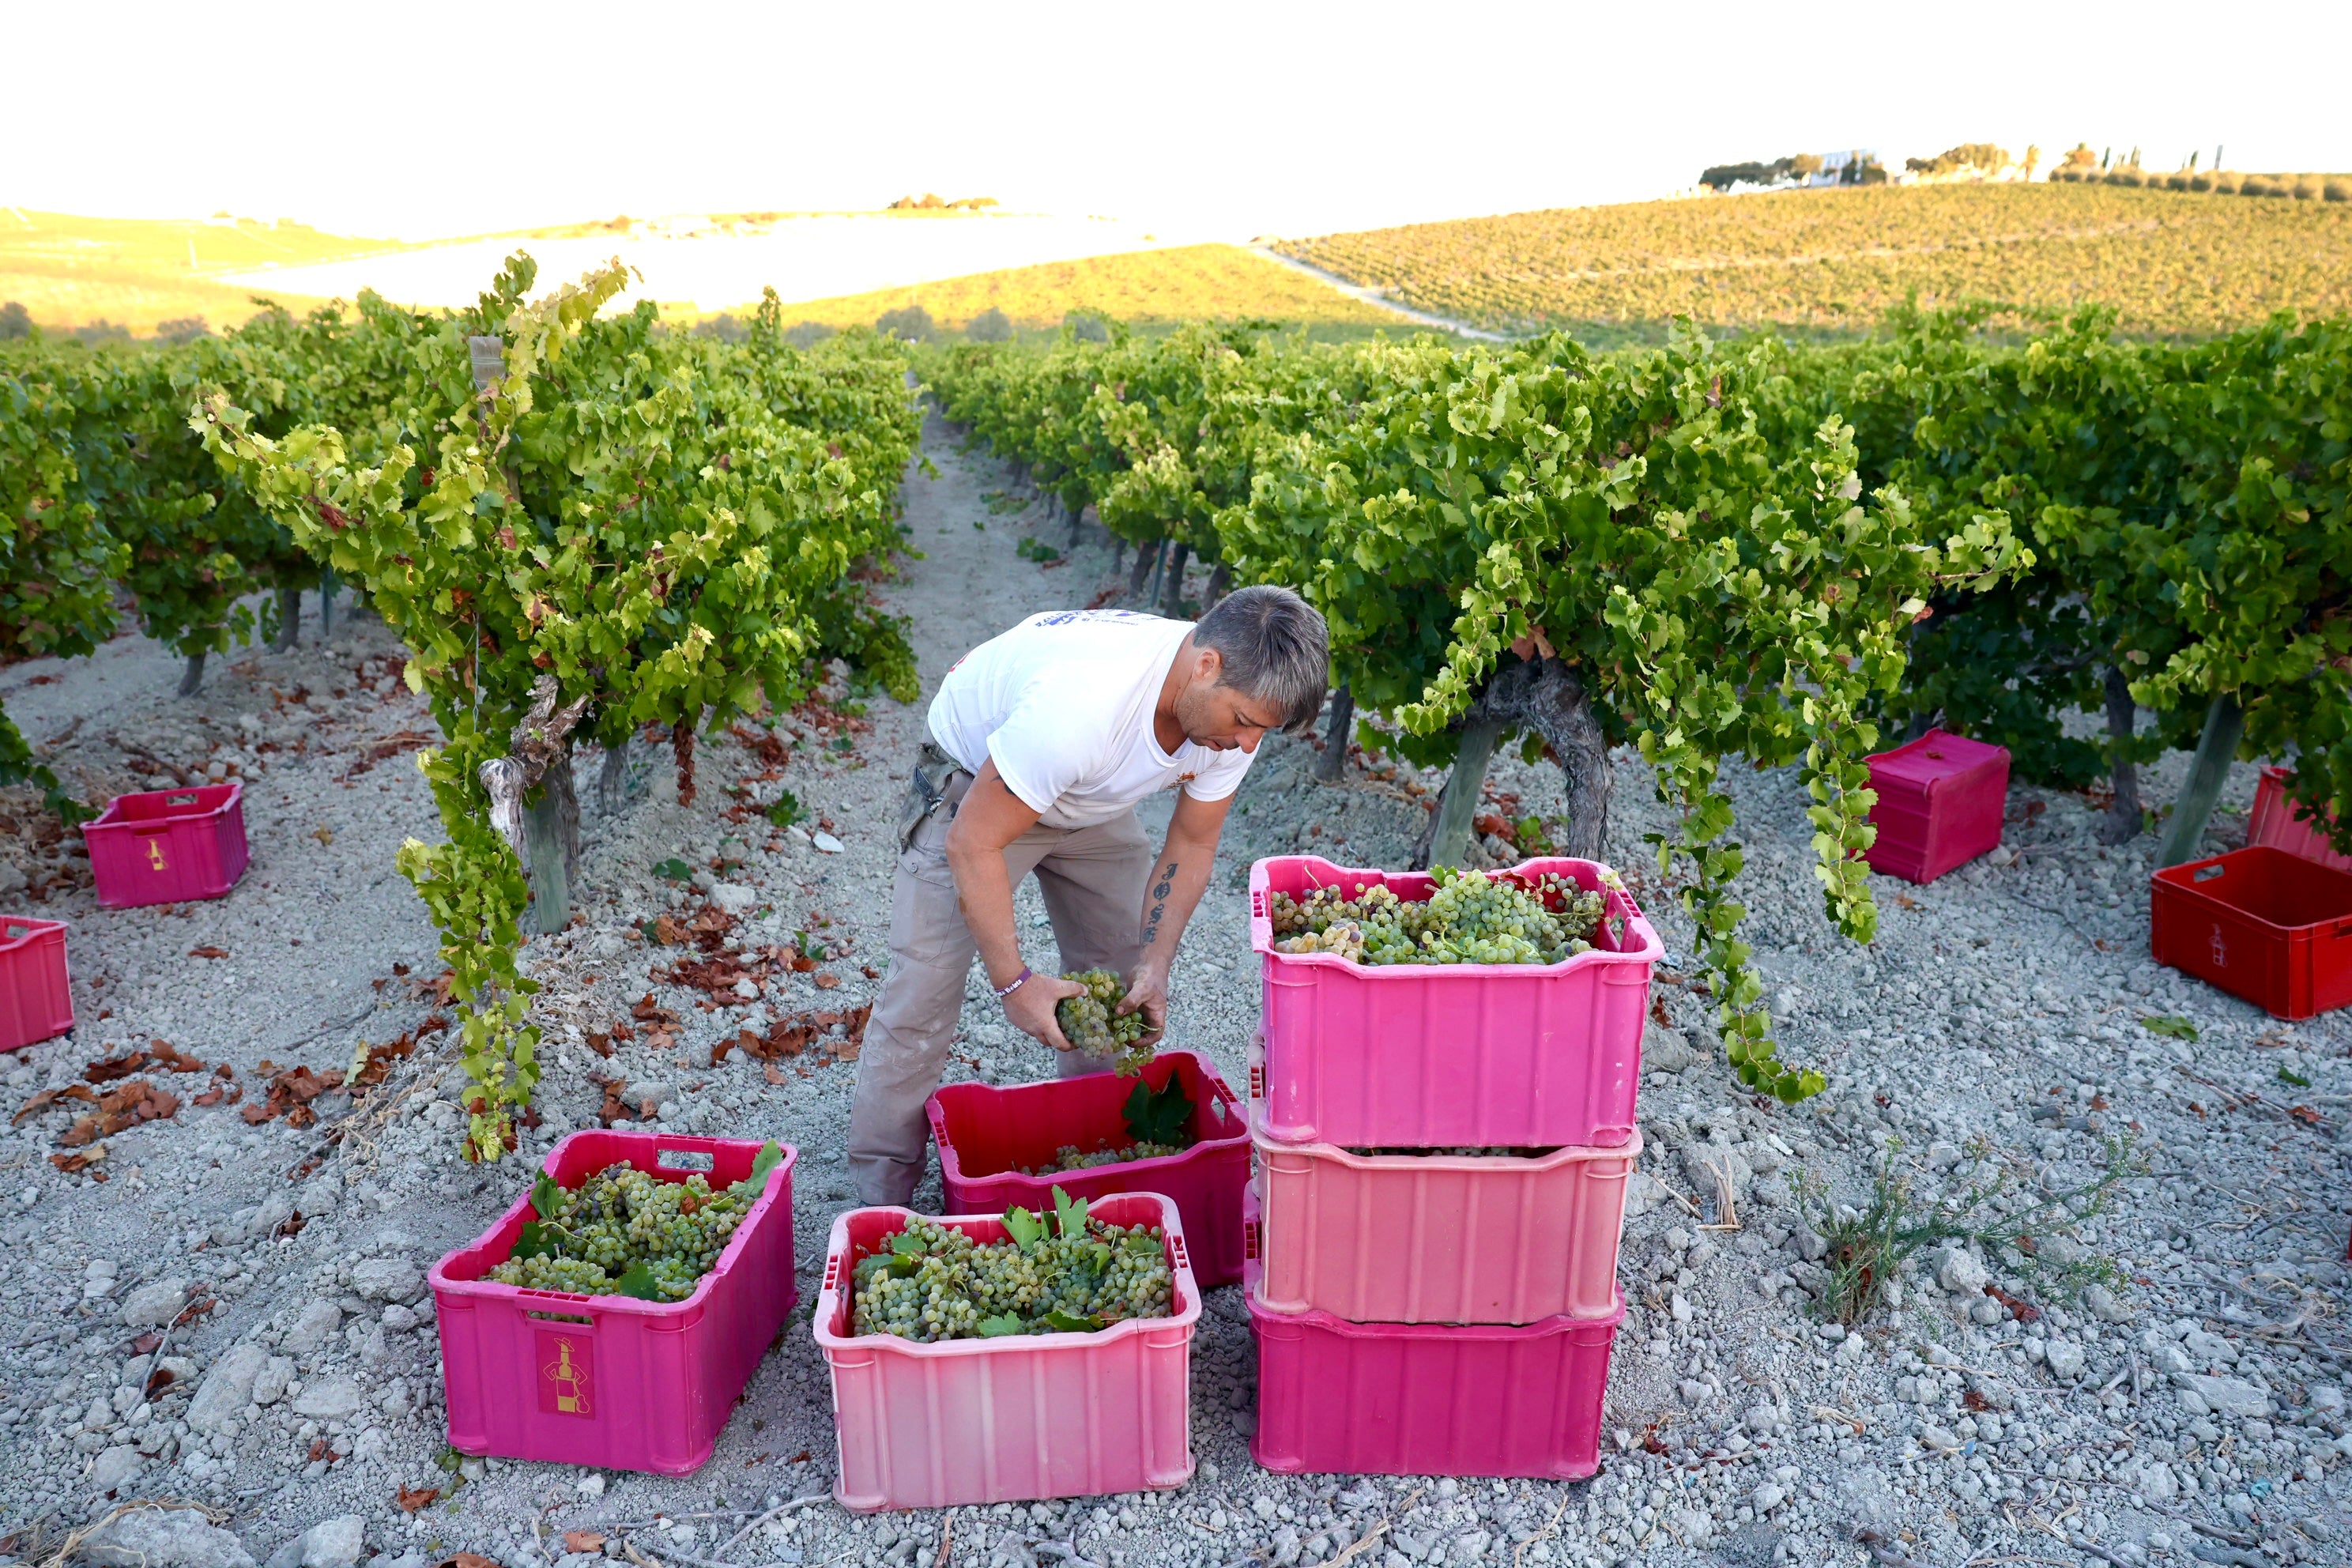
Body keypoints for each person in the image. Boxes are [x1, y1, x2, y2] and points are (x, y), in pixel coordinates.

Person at [846, 586, 1330, 1205]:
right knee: (923, 994)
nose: (1245, 746)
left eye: (1261, 732)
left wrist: (1155, 966)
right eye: (1242, 723)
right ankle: (878, 1193)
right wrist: (1015, 984)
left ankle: (1095, 1157)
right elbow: (973, 844)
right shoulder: (1084, 707)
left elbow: (1191, 845)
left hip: (1087, 793)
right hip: (979, 786)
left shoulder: (1228, 717)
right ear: (1205, 664)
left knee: (1122, 976)